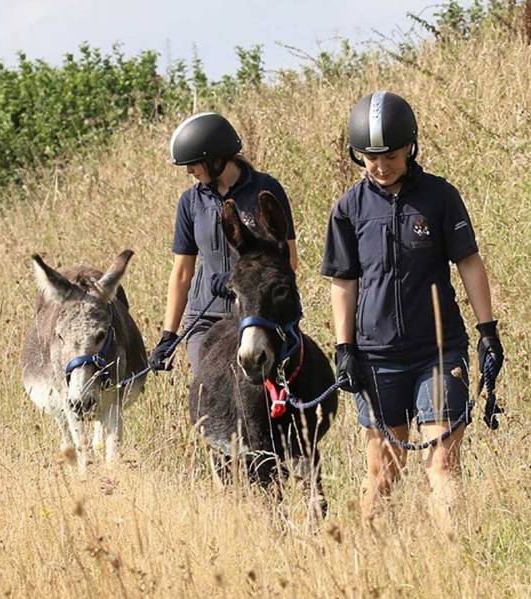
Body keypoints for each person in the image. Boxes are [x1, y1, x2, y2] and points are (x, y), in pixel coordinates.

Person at [320, 91, 504, 527]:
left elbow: (469, 263)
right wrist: (344, 347)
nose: (381, 166)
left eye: (391, 156)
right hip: (376, 357)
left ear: (411, 147)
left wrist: (487, 330)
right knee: (384, 473)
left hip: (438, 352)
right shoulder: (348, 208)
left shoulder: (440, 197)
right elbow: (343, 281)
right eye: (370, 158)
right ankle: (369, 567)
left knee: (443, 463)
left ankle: (450, 568)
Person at [149, 112, 298, 373]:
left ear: (215, 158)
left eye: (194, 163)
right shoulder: (190, 201)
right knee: (209, 392)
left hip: (260, 313)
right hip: (205, 318)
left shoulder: (266, 188)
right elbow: (182, 272)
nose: (189, 170)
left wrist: (238, 280)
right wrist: (168, 334)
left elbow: (289, 259)